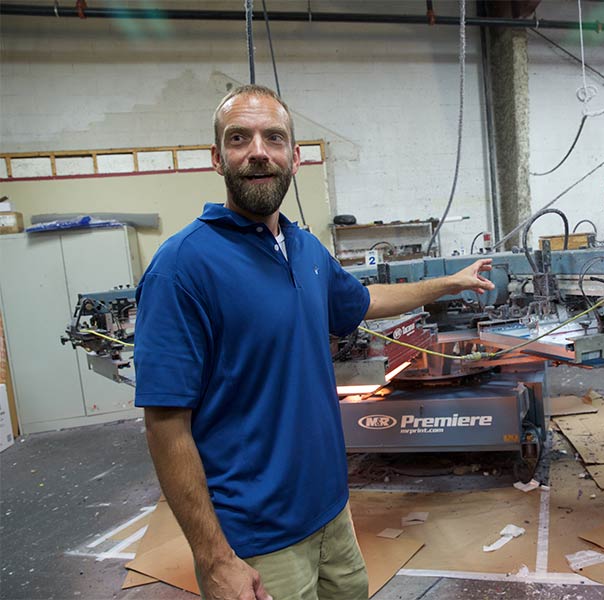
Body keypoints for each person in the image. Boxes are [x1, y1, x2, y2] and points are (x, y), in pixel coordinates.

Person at [133, 84, 495, 600]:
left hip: (331, 515)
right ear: (217, 158)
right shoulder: (182, 266)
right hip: (257, 541)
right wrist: (213, 559)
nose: (258, 151)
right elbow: (165, 424)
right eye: (240, 138)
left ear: (294, 157)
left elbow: (364, 301)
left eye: (273, 138)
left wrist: (450, 282)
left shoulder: (304, 248)